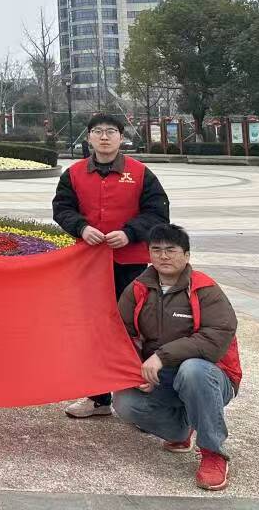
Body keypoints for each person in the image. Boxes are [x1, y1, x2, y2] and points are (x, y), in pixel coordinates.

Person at [53, 111, 170, 418]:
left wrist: (130, 233)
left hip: (131, 264)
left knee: (136, 326)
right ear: (89, 137)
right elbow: (61, 209)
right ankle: (98, 398)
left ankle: (143, 398)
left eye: (110, 132)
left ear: (121, 137)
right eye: (98, 131)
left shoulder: (141, 173)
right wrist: (81, 227)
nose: (104, 137)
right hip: (88, 265)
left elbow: (157, 213)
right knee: (94, 327)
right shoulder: (74, 174)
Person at [113, 224, 242, 492]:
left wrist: (161, 357)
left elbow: (216, 338)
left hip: (211, 376)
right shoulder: (138, 289)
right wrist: (137, 370)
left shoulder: (205, 289)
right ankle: (181, 431)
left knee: (193, 371)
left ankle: (213, 453)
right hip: (163, 376)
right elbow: (120, 335)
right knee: (124, 402)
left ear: (186, 255)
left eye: (171, 250)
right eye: (156, 250)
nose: (163, 256)